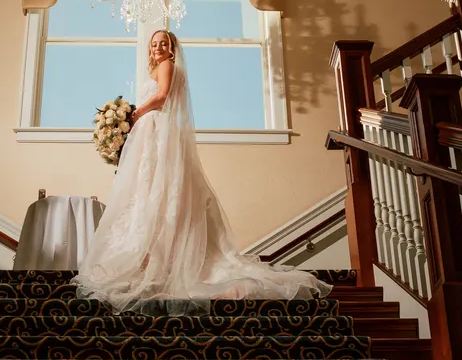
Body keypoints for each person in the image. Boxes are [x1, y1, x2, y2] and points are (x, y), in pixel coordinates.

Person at [75, 29, 330, 311]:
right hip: (155, 135)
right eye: (154, 44)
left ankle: (156, 260)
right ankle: (153, 257)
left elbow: (161, 97)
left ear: (172, 48)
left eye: (163, 43)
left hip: (158, 132)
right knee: (151, 194)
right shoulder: (162, 67)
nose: (158, 47)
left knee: (155, 194)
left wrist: (134, 113)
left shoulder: (167, 66)